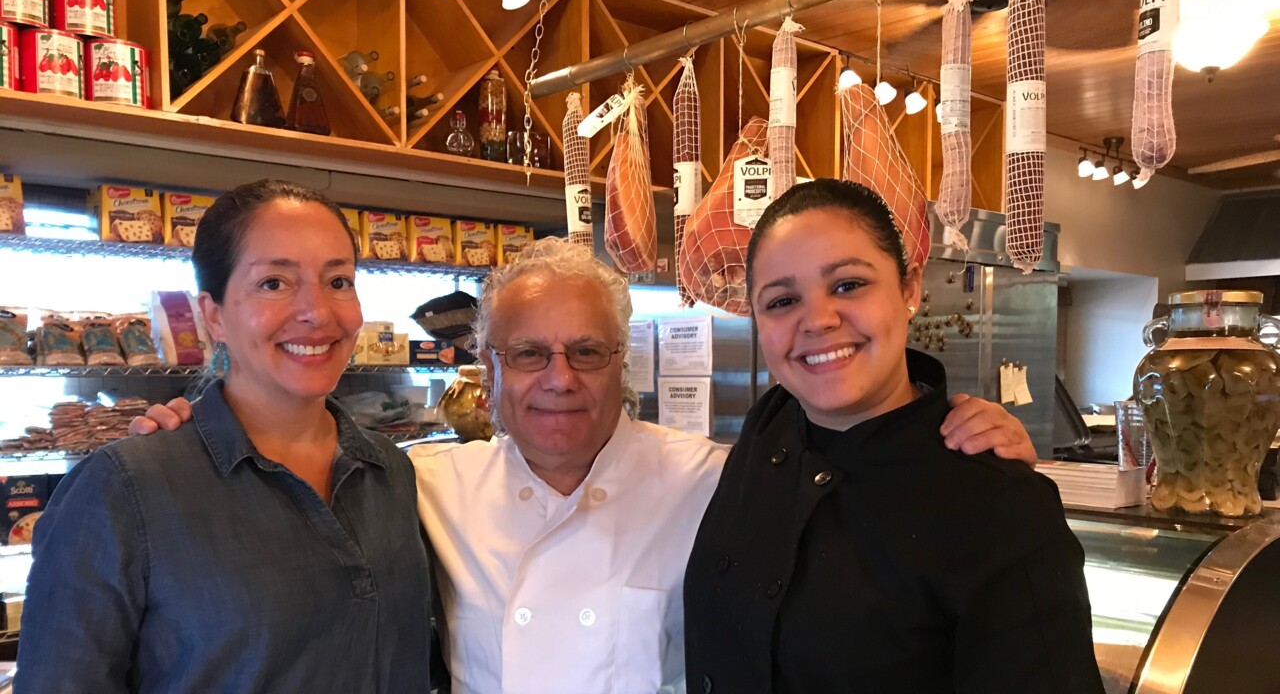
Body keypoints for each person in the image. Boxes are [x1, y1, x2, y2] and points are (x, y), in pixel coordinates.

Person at [132, 238, 1038, 691]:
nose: (558, 382)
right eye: (527, 356)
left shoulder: (719, 479)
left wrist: (954, 435)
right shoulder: (426, 484)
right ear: (487, 373)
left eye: (587, 353)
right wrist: (195, 433)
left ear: (623, 363)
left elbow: (856, 479)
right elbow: (287, 476)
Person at [683, 179, 1105, 693]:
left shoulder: (998, 503)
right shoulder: (766, 427)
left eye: (848, 285)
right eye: (782, 300)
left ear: (909, 289)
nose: (817, 320)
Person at [18, 180, 434, 693]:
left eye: (339, 281)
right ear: (214, 315)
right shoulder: (124, 490)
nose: (318, 312)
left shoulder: (391, 471)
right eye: (274, 283)